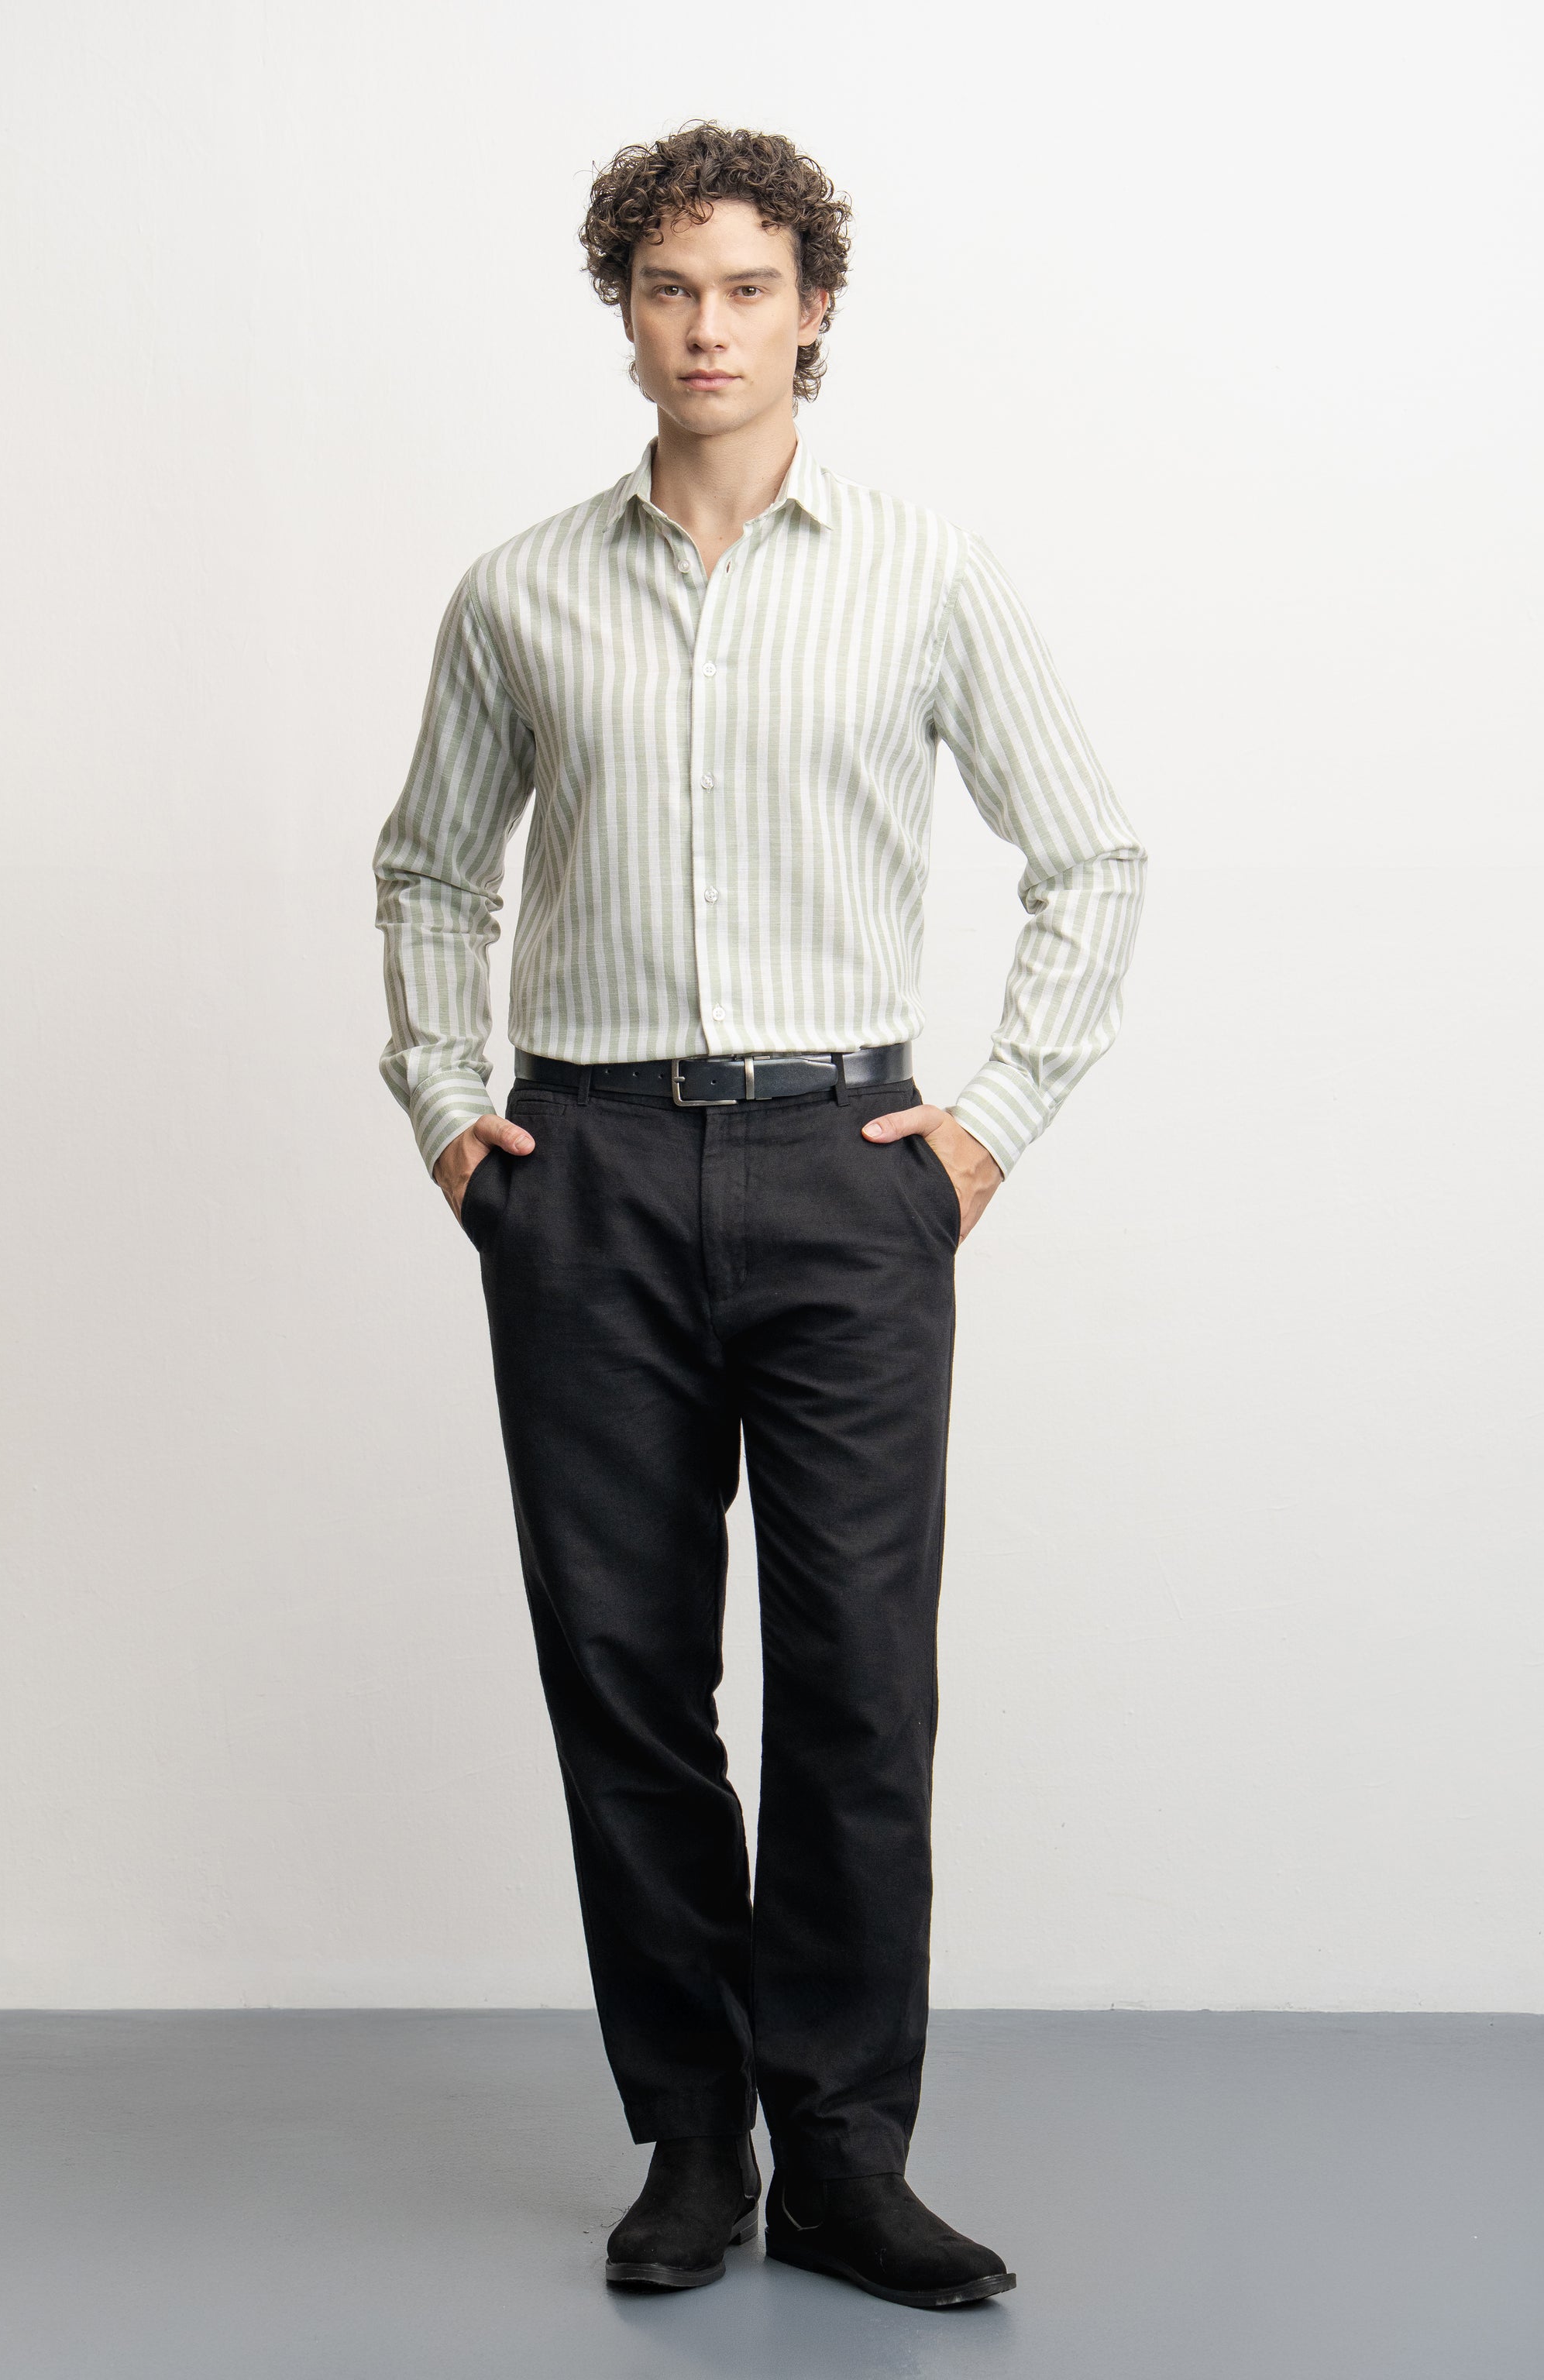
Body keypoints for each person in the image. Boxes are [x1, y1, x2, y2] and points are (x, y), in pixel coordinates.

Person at [372, 121, 1146, 2312]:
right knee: (625, 1670)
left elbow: (1091, 855)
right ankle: (693, 2139)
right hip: (587, 1173)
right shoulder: (521, 591)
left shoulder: (924, 570)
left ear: (814, 312)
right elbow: (429, 869)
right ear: (621, 313)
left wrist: (988, 1126)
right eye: (667, 288)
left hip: (845, 1172)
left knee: (858, 1685)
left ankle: (846, 2158)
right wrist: (450, 1114)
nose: (705, 328)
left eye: (745, 289)